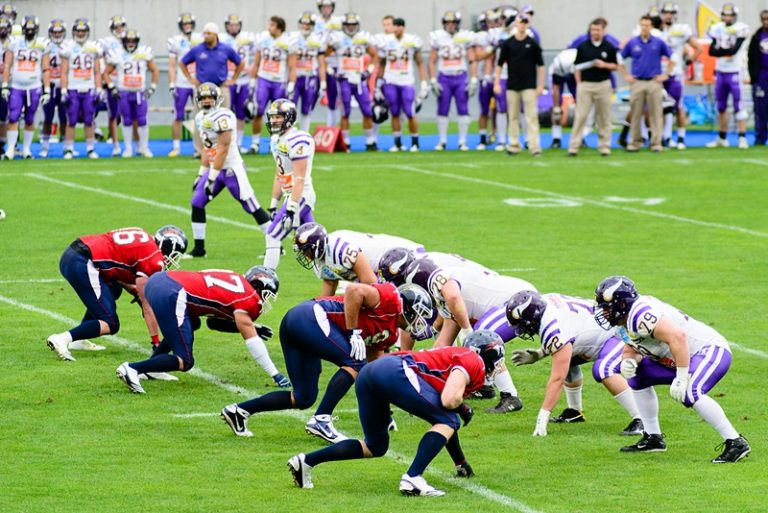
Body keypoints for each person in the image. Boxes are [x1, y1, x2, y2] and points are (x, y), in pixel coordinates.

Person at [286, 333, 503, 496]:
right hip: (395, 370)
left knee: (375, 446)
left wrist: (460, 462)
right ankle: (413, 478)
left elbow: (444, 412)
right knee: (448, 419)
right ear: (488, 353)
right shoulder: (473, 360)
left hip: (373, 372)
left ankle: (306, 462)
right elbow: (448, 402)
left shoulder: (456, 355)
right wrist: (462, 408)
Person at [220, 282, 434, 444]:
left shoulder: (388, 335)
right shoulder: (388, 298)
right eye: (419, 315)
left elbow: (374, 373)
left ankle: (239, 411)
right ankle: (321, 420)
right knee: (354, 361)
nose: (419, 322)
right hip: (309, 317)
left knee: (303, 397)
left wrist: (385, 413)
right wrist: (353, 331)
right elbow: (353, 291)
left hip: (302, 326)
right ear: (408, 307)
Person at [594, 276, 750, 463]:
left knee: (689, 391)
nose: (603, 312)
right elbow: (632, 347)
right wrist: (629, 361)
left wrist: (682, 376)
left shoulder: (641, 314)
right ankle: (653, 437)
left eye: (607, 307)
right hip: (679, 357)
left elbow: (678, 338)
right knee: (638, 376)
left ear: (621, 304)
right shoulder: (624, 322)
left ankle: (735, 441)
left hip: (709, 350)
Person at [116, 266, 288, 394]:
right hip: (172, 293)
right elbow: (251, 341)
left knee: (193, 323)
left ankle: (151, 368)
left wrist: (252, 328)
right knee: (185, 360)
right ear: (259, 288)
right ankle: (132, 368)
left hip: (161, 280)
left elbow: (214, 323)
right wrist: (275, 374)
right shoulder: (249, 298)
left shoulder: (234, 278)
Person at [403, 257, 535, 412]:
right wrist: (423, 371)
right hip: (512, 299)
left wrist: (466, 331)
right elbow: (443, 343)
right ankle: (484, 388)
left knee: (482, 340)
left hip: (517, 299)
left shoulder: (440, 282)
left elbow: (453, 296)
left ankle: (510, 396)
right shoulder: (447, 299)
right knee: (478, 338)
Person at [505, 290, 643, 437]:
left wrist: (543, 416)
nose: (523, 330)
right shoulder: (544, 303)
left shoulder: (552, 326)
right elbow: (567, 334)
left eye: (523, 324)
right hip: (600, 329)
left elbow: (558, 379)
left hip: (615, 333)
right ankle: (575, 412)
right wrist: (539, 354)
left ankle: (641, 419)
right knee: (567, 360)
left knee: (603, 370)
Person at [46, 225, 187, 362]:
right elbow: (147, 305)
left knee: (114, 289)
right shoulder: (153, 258)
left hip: (75, 252)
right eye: (175, 255)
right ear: (170, 248)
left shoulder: (142, 235)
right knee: (110, 323)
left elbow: (117, 269)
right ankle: (62, 339)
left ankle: (79, 339)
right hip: (83, 262)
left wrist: (134, 290)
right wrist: (156, 343)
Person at [186, 83, 271, 258]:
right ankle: (199, 250)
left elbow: (223, 149)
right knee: (197, 202)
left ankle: (275, 245)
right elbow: (207, 148)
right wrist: (201, 173)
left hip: (231, 169)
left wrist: (211, 179)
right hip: (215, 169)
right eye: (203, 98)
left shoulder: (224, 116)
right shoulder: (200, 117)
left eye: (210, 97)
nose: (207, 101)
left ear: (217, 99)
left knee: (252, 206)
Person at [293, 222, 424, 296]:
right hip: (381, 270)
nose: (305, 254)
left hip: (404, 257)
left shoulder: (340, 249)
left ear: (317, 246)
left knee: (401, 301)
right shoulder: (321, 258)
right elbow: (330, 283)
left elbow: (373, 284)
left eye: (306, 250)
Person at [263, 99, 316, 269]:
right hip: (291, 195)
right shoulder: (276, 139)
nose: (274, 121)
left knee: (272, 235)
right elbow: (280, 173)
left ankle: (265, 279)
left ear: (289, 117)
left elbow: (299, 178)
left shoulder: (299, 139)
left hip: (300, 196)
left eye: (278, 117)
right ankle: (344, 271)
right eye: (272, 117)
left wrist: (291, 208)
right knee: (313, 243)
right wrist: (273, 203)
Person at [619, 15, 673, 152]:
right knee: (636, 113)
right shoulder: (633, 43)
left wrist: (666, 74)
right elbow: (619, 57)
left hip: (654, 82)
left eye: (647, 25)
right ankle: (635, 142)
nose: (644, 28)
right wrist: (625, 74)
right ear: (639, 26)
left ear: (651, 27)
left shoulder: (658, 42)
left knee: (656, 113)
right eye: (642, 25)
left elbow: (673, 57)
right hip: (637, 82)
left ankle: (656, 143)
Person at [325, 13, 378, 150]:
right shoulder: (337, 39)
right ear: (343, 26)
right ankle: (346, 143)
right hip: (345, 80)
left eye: (353, 25)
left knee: (367, 111)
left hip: (359, 80)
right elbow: (323, 57)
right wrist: (332, 71)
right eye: (348, 25)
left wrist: (369, 70)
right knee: (345, 112)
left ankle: (370, 141)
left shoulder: (363, 38)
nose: (351, 27)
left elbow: (375, 55)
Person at [103, 28, 159, 158]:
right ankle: (128, 148)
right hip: (124, 92)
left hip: (139, 92)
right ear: (123, 41)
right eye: (128, 41)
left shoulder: (144, 53)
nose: (130, 43)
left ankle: (144, 147)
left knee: (142, 120)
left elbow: (155, 70)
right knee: (126, 120)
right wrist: (112, 87)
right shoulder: (117, 54)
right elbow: (106, 72)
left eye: (133, 41)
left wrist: (152, 87)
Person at [494, 14, 544, 156]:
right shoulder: (508, 44)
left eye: (525, 23)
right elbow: (499, 64)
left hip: (529, 85)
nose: (522, 25)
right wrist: (497, 82)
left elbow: (541, 66)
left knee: (531, 116)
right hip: (512, 85)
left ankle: (534, 146)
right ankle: (514, 144)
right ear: (515, 24)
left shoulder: (533, 44)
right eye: (520, 23)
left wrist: (540, 85)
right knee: (513, 116)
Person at [1, 15, 50, 160]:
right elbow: (7, 65)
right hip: (16, 86)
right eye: (27, 29)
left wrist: (47, 89)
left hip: (34, 86)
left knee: (30, 118)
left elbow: (46, 68)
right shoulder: (14, 42)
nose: (30, 32)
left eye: (32, 29)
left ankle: (26, 150)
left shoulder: (42, 44)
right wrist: (4, 85)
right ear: (23, 29)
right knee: (13, 116)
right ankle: (10, 149)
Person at [567, 19, 619, 156]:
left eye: (598, 30)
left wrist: (604, 65)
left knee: (604, 117)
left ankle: (604, 146)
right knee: (581, 116)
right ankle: (574, 146)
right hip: (586, 85)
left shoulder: (609, 47)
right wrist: (579, 84)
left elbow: (615, 66)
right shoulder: (583, 46)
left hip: (603, 84)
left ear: (603, 31)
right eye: (593, 30)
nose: (595, 32)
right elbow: (576, 67)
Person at [246, 16, 297, 155]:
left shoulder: (288, 41)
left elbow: (292, 66)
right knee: (258, 111)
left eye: (272, 25)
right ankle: (255, 143)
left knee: (278, 115)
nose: (269, 27)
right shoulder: (262, 38)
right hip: (263, 79)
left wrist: (291, 84)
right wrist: (252, 81)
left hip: (279, 81)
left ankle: (275, 142)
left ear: (279, 27)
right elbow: (256, 62)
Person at [376, 17, 428, 152]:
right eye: (395, 25)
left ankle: (415, 142)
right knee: (394, 112)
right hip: (391, 81)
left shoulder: (412, 41)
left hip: (406, 81)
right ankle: (397, 143)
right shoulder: (386, 41)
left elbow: (420, 63)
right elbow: (381, 63)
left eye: (400, 26)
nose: (397, 28)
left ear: (404, 27)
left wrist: (423, 83)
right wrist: (378, 82)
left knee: (410, 112)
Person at [429, 10, 478, 151]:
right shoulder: (438, 37)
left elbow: (472, 59)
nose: (450, 25)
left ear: (457, 24)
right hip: (444, 75)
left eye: (453, 23)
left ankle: (462, 141)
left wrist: (474, 78)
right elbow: (431, 61)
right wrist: (432, 79)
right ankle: (442, 140)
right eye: (448, 23)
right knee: (442, 109)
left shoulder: (465, 37)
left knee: (463, 108)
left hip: (460, 76)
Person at [707, 3, 751, 149]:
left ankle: (742, 137)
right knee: (721, 106)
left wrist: (722, 50)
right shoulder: (717, 28)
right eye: (725, 15)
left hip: (735, 70)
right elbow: (711, 52)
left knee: (739, 105)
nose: (727, 18)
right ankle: (722, 137)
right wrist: (725, 51)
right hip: (720, 71)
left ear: (735, 16)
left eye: (730, 15)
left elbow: (734, 50)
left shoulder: (741, 28)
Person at [660, 3, 701, 149]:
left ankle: (681, 137)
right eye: (666, 13)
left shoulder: (681, 30)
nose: (668, 15)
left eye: (671, 13)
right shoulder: (656, 30)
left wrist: (688, 61)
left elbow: (698, 48)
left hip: (675, 73)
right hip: (659, 74)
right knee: (660, 108)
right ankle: (664, 137)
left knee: (678, 106)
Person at [60, 18, 102, 160]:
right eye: (78, 31)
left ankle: (90, 149)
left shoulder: (93, 47)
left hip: (89, 88)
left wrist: (99, 89)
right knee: (71, 120)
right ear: (73, 32)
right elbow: (64, 71)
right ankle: (69, 149)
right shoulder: (68, 47)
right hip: (73, 88)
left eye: (83, 31)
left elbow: (97, 71)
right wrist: (64, 90)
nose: (80, 33)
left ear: (87, 32)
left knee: (89, 120)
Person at [220, 14, 258, 153]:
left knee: (241, 113)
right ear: (226, 26)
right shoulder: (222, 39)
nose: (234, 28)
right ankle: (227, 143)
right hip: (228, 79)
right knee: (226, 113)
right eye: (231, 25)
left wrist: (252, 67)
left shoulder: (248, 38)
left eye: (236, 25)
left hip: (244, 80)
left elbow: (259, 54)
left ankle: (238, 143)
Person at [167, 13, 202, 157]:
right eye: (185, 24)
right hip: (182, 83)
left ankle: (199, 148)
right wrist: (172, 83)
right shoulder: (175, 41)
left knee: (200, 116)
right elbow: (171, 65)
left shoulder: (200, 39)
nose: (187, 27)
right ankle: (176, 147)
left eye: (189, 24)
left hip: (198, 82)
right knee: (178, 115)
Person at [291, 12, 327, 132]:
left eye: (308, 24)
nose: (305, 27)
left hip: (310, 77)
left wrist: (323, 82)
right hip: (295, 76)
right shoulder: (292, 37)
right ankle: (289, 135)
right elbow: (289, 61)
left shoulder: (318, 39)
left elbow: (321, 63)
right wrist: (289, 80)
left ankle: (304, 134)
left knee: (307, 108)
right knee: (291, 107)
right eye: (303, 24)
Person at [98, 15, 128, 157]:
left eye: (121, 26)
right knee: (113, 113)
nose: (119, 29)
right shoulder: (106, 42)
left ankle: (131, 144)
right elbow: (99, 57)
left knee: (126, 114)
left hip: (126, 81)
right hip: (111, 79)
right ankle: (114, 141)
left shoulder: (129, 39)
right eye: (116, 27)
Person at [39, 19, 67, 159]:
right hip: (49, 85)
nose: (57, 35)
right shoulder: (45, 46)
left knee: (64, 118)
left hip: (63, 85)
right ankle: (45, 146)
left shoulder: (68, 46)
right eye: (54, 32)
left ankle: (66, 147)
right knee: (48, 118)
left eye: (59, 32)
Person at [314, 0, 343, 127]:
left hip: (333, 63)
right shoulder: (314, 21)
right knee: (311, 95)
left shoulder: (338, 22)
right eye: (324, 7)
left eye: (329, 7)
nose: (326, 9)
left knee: (333, 96)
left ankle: (331, 127)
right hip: (315, 63)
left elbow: (340, 43)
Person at [748, 9, 768, 145]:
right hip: (762, 76)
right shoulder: (757, 37)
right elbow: (751, 57)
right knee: (760, 109)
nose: (766, 22)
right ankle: (760, 137)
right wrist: (754, 77)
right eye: (764, 19)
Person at [0, 16, 12, 154]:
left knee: (5, 115)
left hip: (8, 83)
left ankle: (2, 144)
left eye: (4, 28)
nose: (2, 30)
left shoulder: (14, 43)